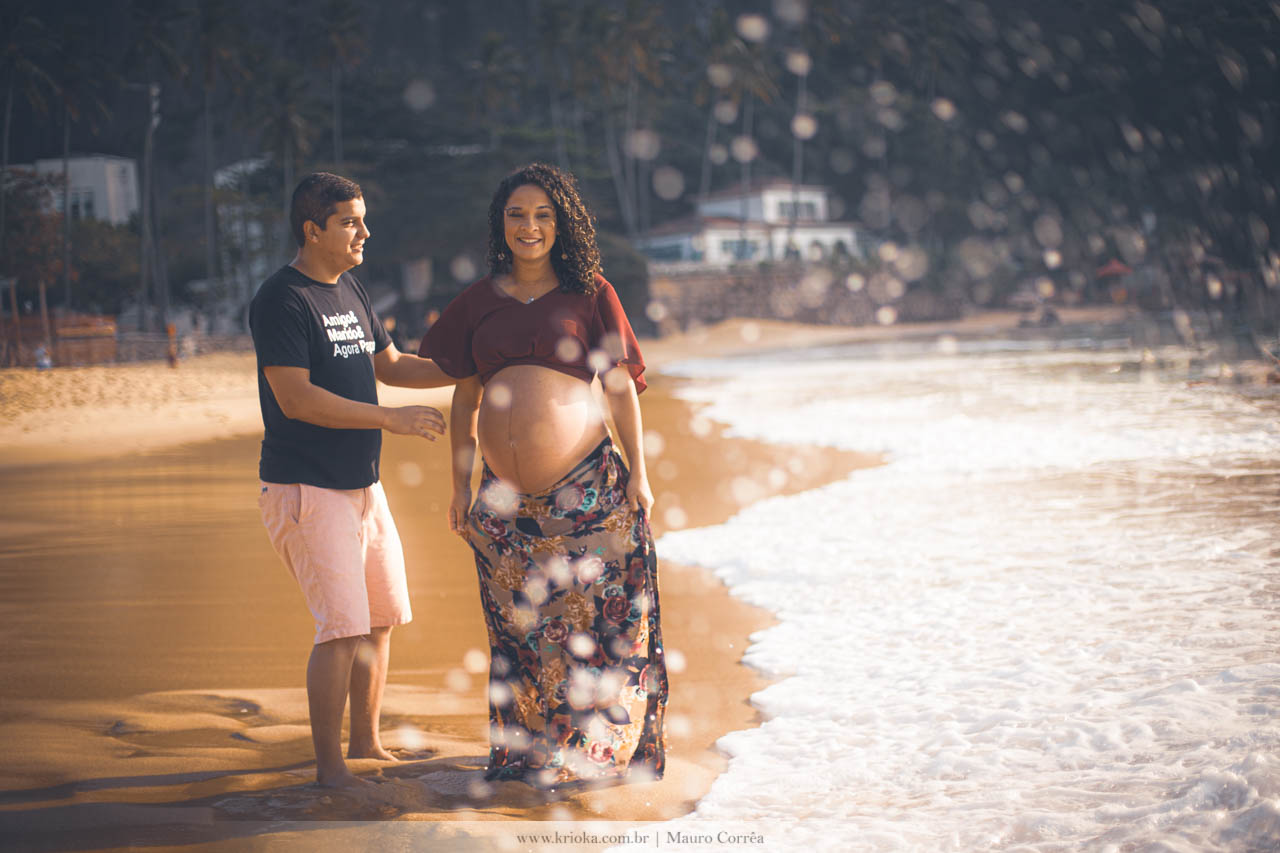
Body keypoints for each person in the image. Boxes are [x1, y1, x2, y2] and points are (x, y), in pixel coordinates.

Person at [420, 163, 667, 788]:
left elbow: (620, 388)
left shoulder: (590, 293)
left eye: (542, 215)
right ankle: (534, 752)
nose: (529, 226)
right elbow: (464, 397)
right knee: (522, 628)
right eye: (516, 215)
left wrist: (640, 475)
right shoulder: (479, 300)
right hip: (506, 506)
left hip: (589, 492)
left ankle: (595, 752)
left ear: (563, 223)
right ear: (500, 224)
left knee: (597, 620)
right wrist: (458, 485)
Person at [250, 172, 455, 789]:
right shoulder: (282, 299)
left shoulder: (351, 290)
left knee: (380, 617)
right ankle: (329, 768)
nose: (364, 232)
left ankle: (365, 743)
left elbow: (392, 366)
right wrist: (389, 420)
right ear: (312, 229)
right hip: (306, 489)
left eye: (363, 219)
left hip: (364, 488)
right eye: (349, 222)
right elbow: (296, 399)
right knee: (341, 628)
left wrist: (472, 366)